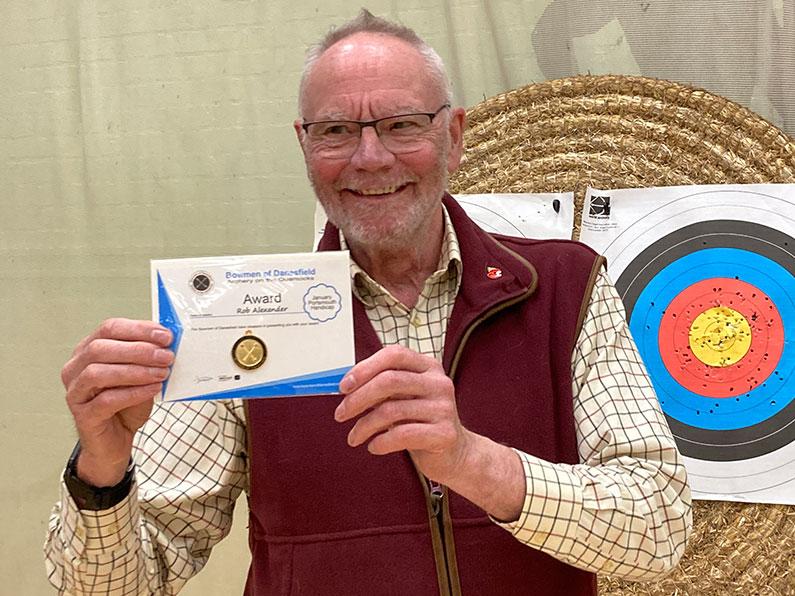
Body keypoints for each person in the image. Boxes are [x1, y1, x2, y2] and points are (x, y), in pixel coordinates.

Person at [45, 9, 691, 595]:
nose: (370, 157)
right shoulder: (240, 317)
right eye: (335, 131)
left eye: (401, 124)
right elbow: (118, 586)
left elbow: (659, 525)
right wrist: (102, 466)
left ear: (454, 136)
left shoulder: (563, 287)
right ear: (304, 145)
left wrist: (470, 462)